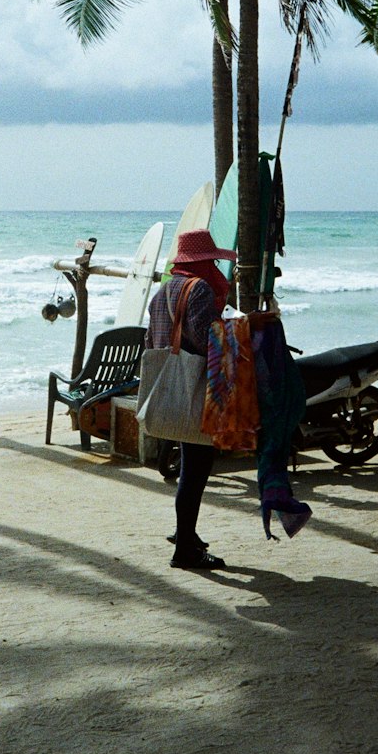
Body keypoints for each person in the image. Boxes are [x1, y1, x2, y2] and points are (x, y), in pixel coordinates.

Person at [145, 227, 236, 570]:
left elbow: (152, 340)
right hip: (196, 389)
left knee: (189, 468)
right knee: (196, 470)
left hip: (171, 391)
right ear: (203, 261)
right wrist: (234, 333)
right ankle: (185, 548)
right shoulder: (198, 289)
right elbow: (205, 339)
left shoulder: (162, 291)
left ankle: (186, 534)